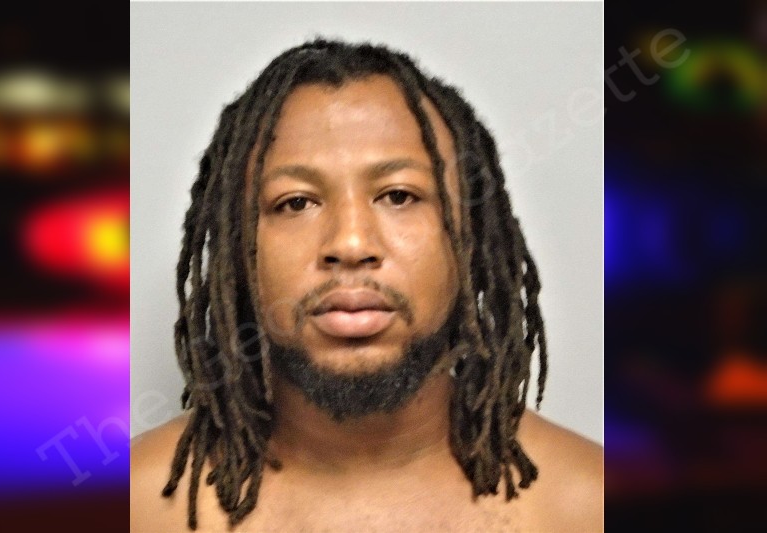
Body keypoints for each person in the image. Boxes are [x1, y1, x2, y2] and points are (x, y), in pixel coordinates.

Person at [130, 38, 603, 532]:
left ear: (472, 234)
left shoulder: (593, 505)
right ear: (233, 244)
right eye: (296, 202)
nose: (351, 243)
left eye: (399, 195)